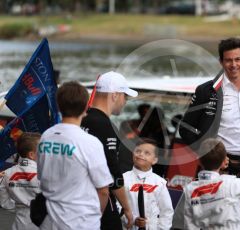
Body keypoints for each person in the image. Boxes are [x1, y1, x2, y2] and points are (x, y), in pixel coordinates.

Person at [179, 37, 240, 230]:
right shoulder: (206, 90)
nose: (233, 65)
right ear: (221, 62)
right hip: (220, 168)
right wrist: (208, 154)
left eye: (237, 59)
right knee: (216, 224)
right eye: (228, 60)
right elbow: (185, 129)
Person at [37, 81, 113, 230]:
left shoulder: (46, 135)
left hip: (49, 220)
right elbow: (103, 190)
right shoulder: (90, 142)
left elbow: (41, 176)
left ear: (58, 106)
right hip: (81, 222)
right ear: (86, 108)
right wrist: (96, 216)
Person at [81, 71, 137, 230]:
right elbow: (112, 172)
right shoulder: (105, 127)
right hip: (97, 200)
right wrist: (126, 207)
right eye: (125, 96)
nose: (125, 102)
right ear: (115, 95)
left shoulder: (81, 118)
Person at [121, 138, 174, 229]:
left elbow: (166, 211)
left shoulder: (160, 183)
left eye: (147, 153)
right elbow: (117, 206)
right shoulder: (123, 179)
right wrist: (133, 219)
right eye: (138, 151)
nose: (141, 154)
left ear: (154, 160)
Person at [0, 132, 41, 230]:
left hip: (19, 224)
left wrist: (19, 206)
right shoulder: (45, 174)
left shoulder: (6, 173)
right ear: (31, 154)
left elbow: (5, 202)